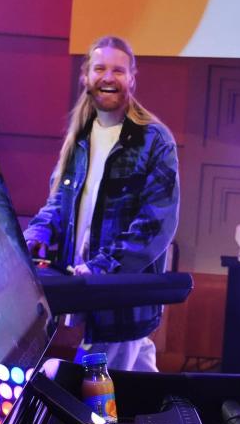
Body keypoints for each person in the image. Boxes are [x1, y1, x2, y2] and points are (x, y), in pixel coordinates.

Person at [24, 35, 179, 373]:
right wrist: (33, 234)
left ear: (132, 78)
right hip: (86, 291)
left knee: (89, 390)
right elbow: (58, 204)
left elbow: (155, 224)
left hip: (119, 297)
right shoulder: (79, 136)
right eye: (100, 68)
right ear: (86, 77)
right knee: (138, 387)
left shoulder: (154, 139)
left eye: (118, 70)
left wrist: (102, 269)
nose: (108, 77)